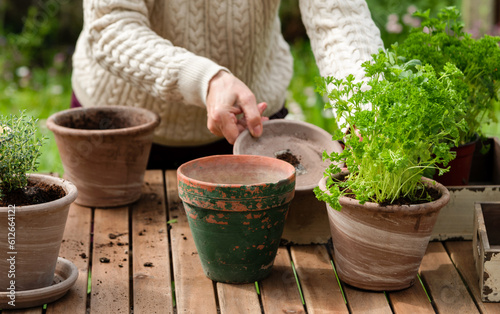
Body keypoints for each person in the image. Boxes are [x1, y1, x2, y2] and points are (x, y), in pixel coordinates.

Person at [71, 0, 384, 169]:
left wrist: (367, 108)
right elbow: (112, 26)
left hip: (249, 123)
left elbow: (340, 20)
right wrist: (205, 80)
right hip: (122, 127)